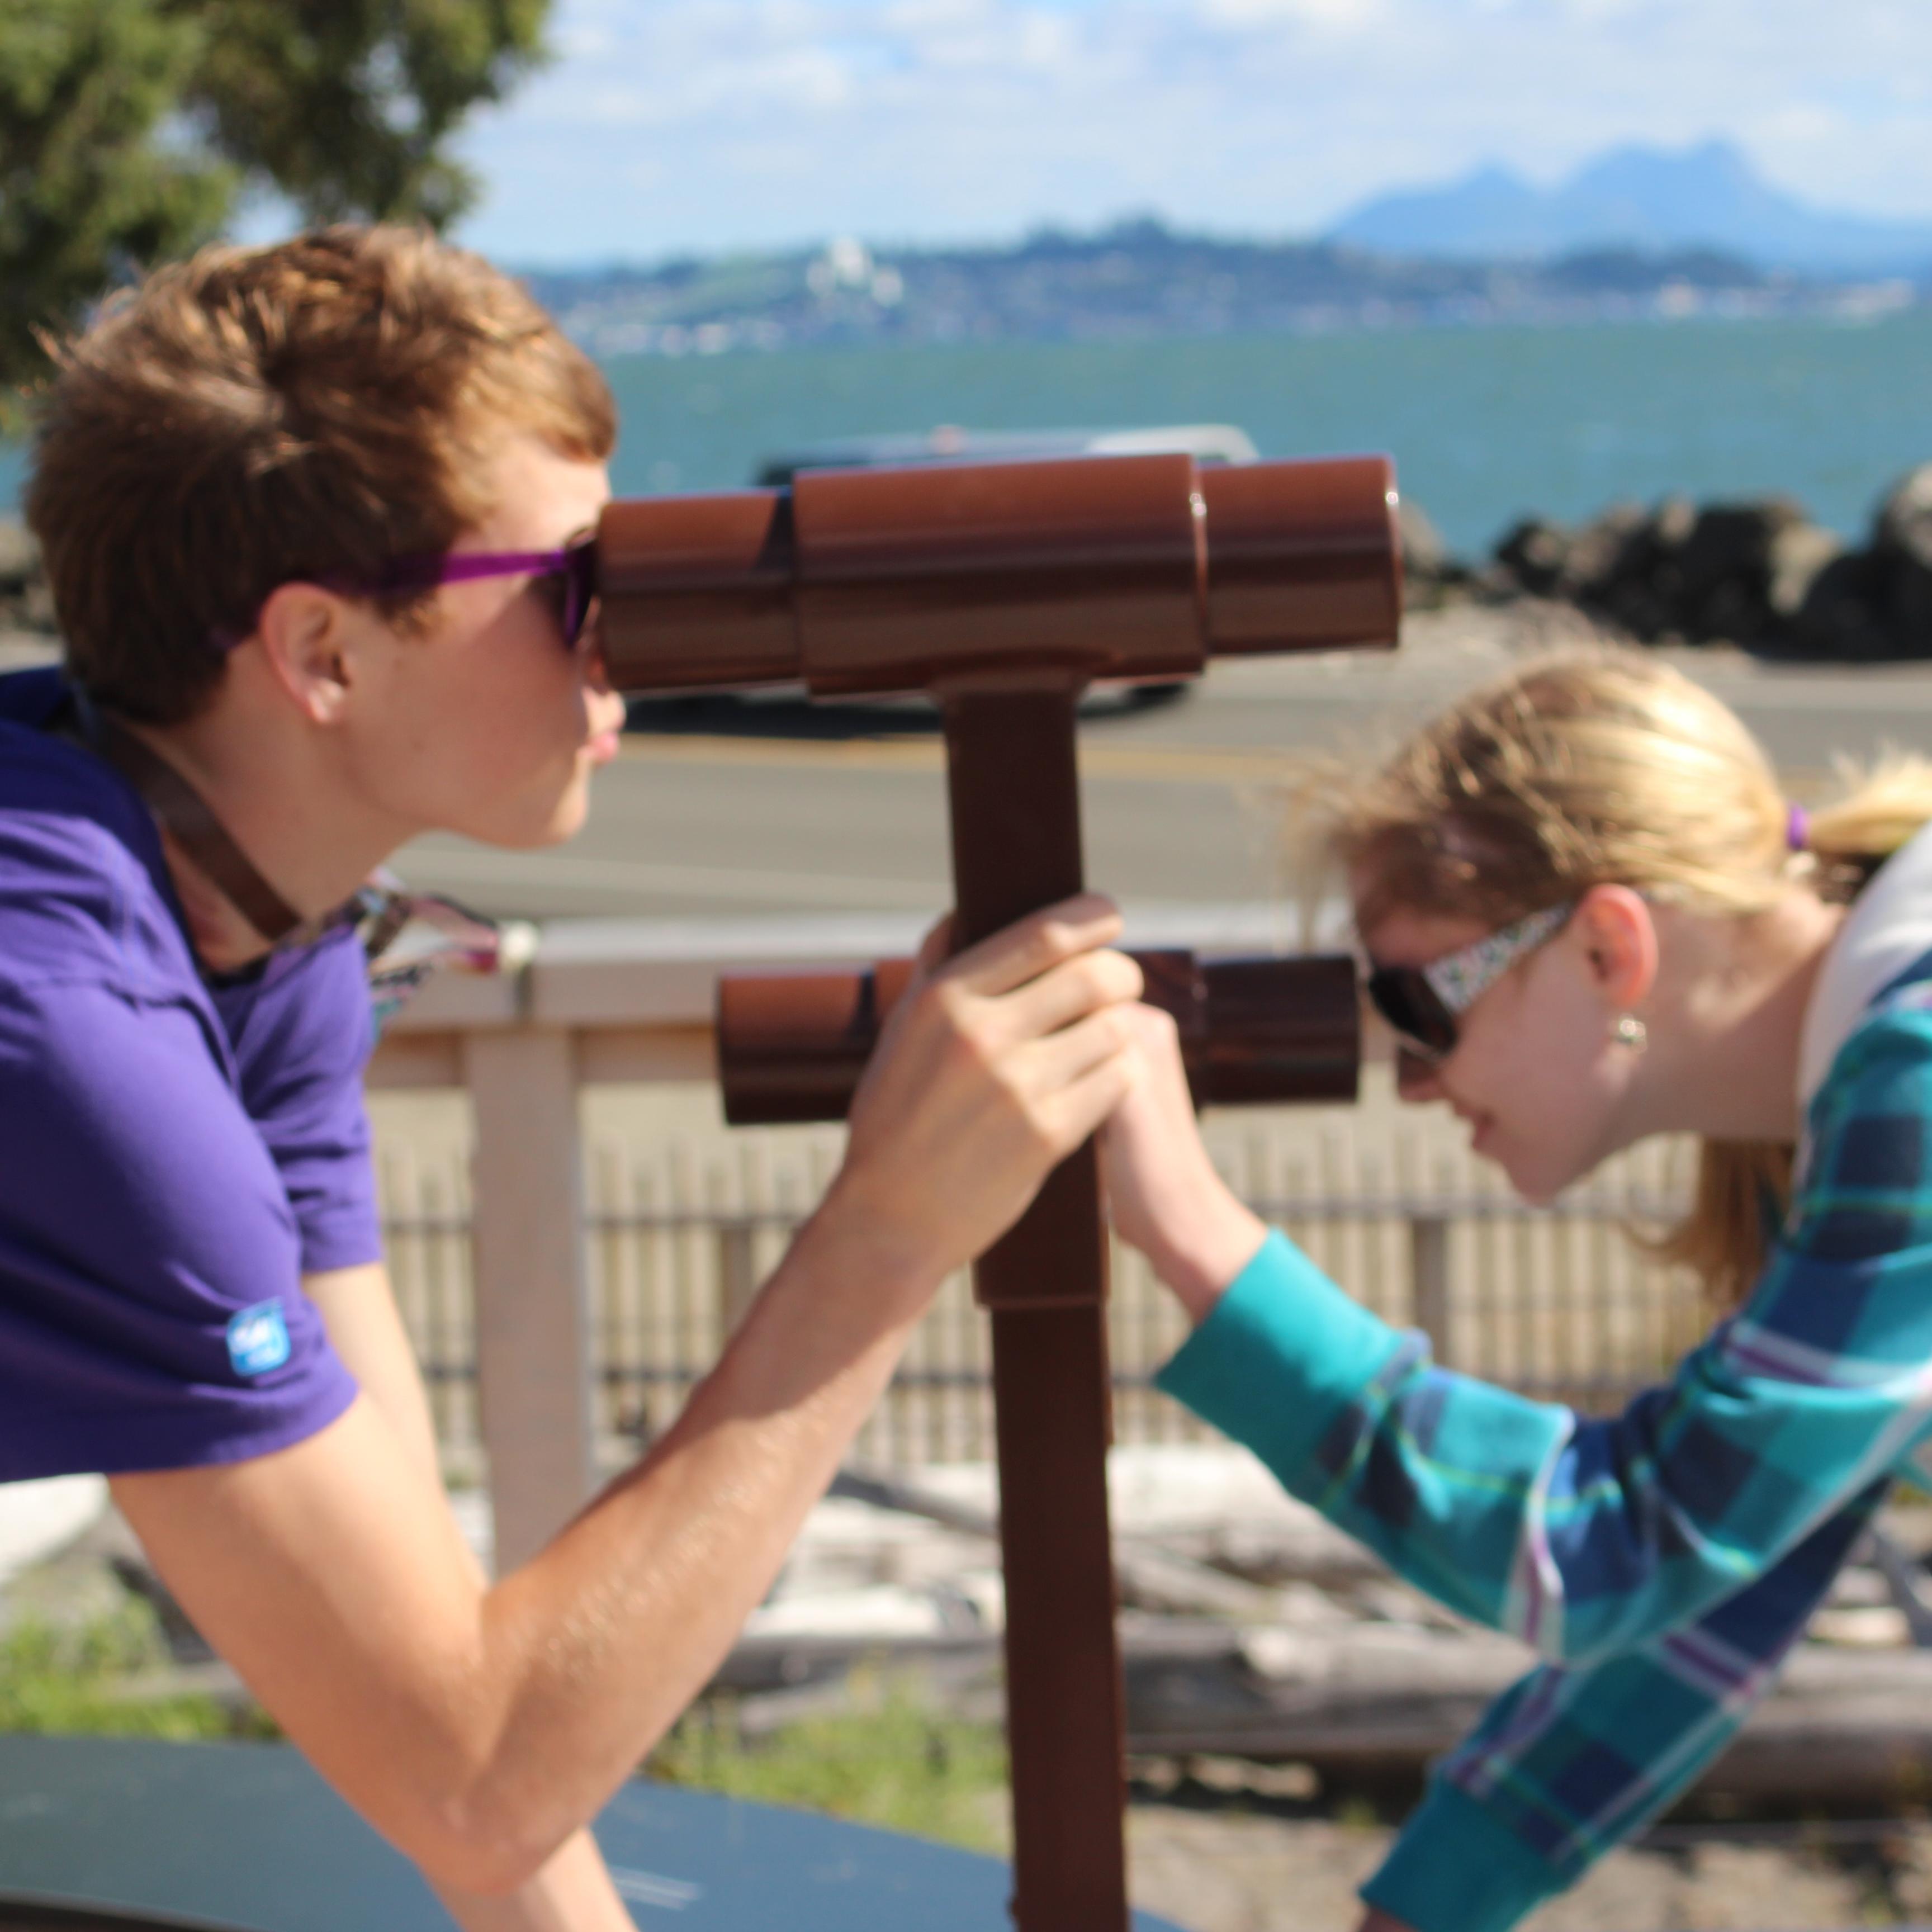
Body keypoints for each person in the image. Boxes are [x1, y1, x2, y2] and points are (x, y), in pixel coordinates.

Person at [2, 225, 1145, 1928]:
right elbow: (472, 1777)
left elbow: (418, 1642)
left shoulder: (257, 921)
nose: (631, 644)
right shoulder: (63, 1022)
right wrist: (893, 1232)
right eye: (578, 587)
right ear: (323, 654)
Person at [1102, 645, 1932, 1932]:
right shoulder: (1849, 1107)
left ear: (1607, 947)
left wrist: (1193, 1232)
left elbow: (1617, 1546)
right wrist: (1428, 1906)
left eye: (1419, 1005)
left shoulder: (1915, 1077)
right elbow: (1719, 1590)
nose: (1412, 1080)